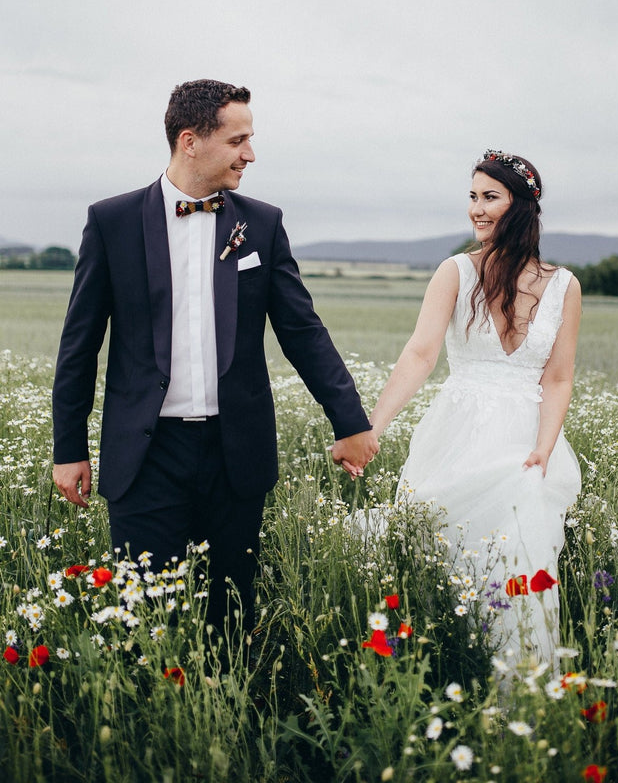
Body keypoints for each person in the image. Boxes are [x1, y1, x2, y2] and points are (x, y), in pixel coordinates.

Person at [53, 79, 378, 641]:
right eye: (238, 140)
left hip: (236, 455)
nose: (250, 154)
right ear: (190, 141)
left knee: (231, 619)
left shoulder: (263, 223)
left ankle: (233, 719)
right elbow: (79, 343)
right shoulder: (113, 222)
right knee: (146, 622)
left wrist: (350, 421)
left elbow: (302, 330)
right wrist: (68, 448)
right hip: (145, 457)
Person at [336, 150, 581, 663]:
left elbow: (558, 377)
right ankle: (448, 657)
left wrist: (544, 448)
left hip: (528, 440)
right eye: (473, 196)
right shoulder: (455, 272)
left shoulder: (564, 285)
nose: (477, 208)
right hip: (459, 431)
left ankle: (525, 673)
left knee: (521, 556)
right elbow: (420, 355)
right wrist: (370, 428)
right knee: (446, 550)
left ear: (522, 206)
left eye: (490, 196)